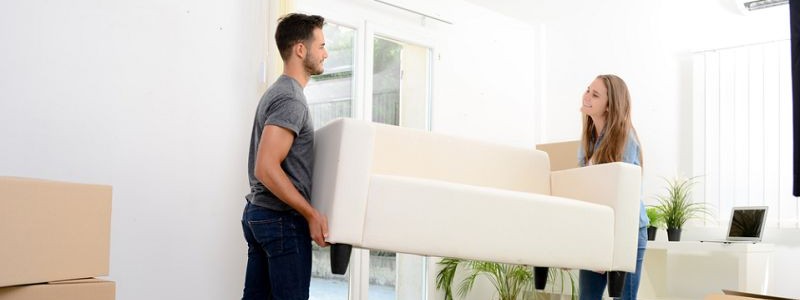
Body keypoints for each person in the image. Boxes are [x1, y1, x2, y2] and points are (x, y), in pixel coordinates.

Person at [241, 13, 329, 300]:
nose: (325, 53)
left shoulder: (278, 92)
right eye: (321, 46)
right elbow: (266, 167)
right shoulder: (291, 98)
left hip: (262, 215)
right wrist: (311, 213)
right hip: (280, 220)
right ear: (300, 50)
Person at [577, 74, 648, 300]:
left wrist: (608, 247)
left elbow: (623, 199)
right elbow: (583, 192)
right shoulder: (587, 139)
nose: (587, 96)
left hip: (626, 234)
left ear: (610, 106)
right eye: (588, 90)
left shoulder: (625, 139)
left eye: (595, 95)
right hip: (598, 232)